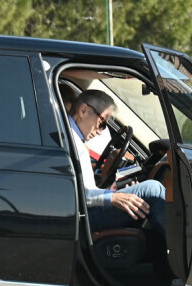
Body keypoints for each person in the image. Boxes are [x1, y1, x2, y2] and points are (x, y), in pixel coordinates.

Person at [66, 89, 166, 237]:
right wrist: (113, 197)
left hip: (78, 210)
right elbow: (81, 194)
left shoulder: (69, 134)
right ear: (83, 110)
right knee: (153, 189)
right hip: (81, 216)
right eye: (102, 122)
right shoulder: (71, 139)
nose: (100, 131)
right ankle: (179, 252)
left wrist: (110, 191)